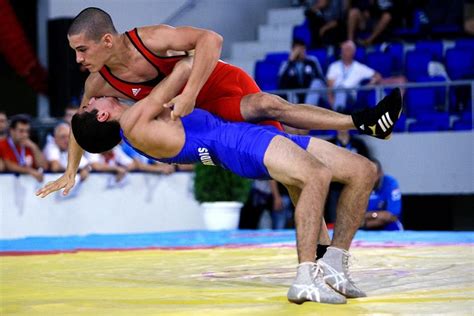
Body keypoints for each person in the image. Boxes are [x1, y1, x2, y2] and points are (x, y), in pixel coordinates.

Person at [39, 58, 402, 304]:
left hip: (236, 133)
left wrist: (71, 168)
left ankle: (334, 261)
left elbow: (87, 123)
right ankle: (306, 275)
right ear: (103, 115)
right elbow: (181, 68)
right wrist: (147, 59)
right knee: (315, 175)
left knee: (362, 170)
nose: (90, 99)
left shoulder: (129, 125)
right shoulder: (135, 121)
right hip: (234, 142)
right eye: (90, 105)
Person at [39, 7, 401, 199]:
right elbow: (81, 126)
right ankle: (319, 245)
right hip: (193, 115)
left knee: (268, 108)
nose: (78, 60)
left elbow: (211, 40)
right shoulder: (98, 83)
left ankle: (363, 121)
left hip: (208, 86)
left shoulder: (150, 39)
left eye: (81, 50)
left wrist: (191, 93)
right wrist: (71, 169)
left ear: (105, 40)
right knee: (283, 157)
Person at [325, 129, 372, 223]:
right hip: (334, 186)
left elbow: (366, 164)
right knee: (334, 216)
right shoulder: (329, 144)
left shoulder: (359, 144)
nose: (342, 128)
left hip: (353, 185)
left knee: (353, 215)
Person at [326, 40, 382, 112]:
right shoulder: (334, 66)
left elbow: (378, 76)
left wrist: (370, 84)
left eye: (347, 49)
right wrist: (331, 100)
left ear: (353, 52)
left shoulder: (359, 67)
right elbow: (330, 87)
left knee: (341, 88)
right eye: (343, 49)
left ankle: (338, 113)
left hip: (350, 96)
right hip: (334, 94)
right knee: (317, 85)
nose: (343, 52)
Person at [0, 114, 47, 182]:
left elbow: (43, 166)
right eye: (21, 131)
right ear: (11, 131)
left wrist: (34, 147)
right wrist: (30, 171)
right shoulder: (2, 144)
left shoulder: (30, 146)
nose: (25, 135)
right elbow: (8, 164)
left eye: (27, 131)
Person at [278, 39, 325, 103]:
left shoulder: (312, 61)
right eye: (298, 50)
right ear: (293, 50)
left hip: (310, 93)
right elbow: (281, 84)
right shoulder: (286, 64)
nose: (300, 52)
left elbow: (320, 78)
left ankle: (308, 108)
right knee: (290, 92)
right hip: (294, 95)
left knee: (317, 83)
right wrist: (291, 61)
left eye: (303, 49)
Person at [362, 159, 403, 230]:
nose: (370, 177)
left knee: (393, 224)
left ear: (380, 173)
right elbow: (352, 217)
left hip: (387, 227)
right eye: (367, 173)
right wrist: (377, 215)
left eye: (373, 173)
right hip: (363, 228)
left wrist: (366, 222)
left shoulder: (390, 183)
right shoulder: (358, 184)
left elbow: (392, 216)